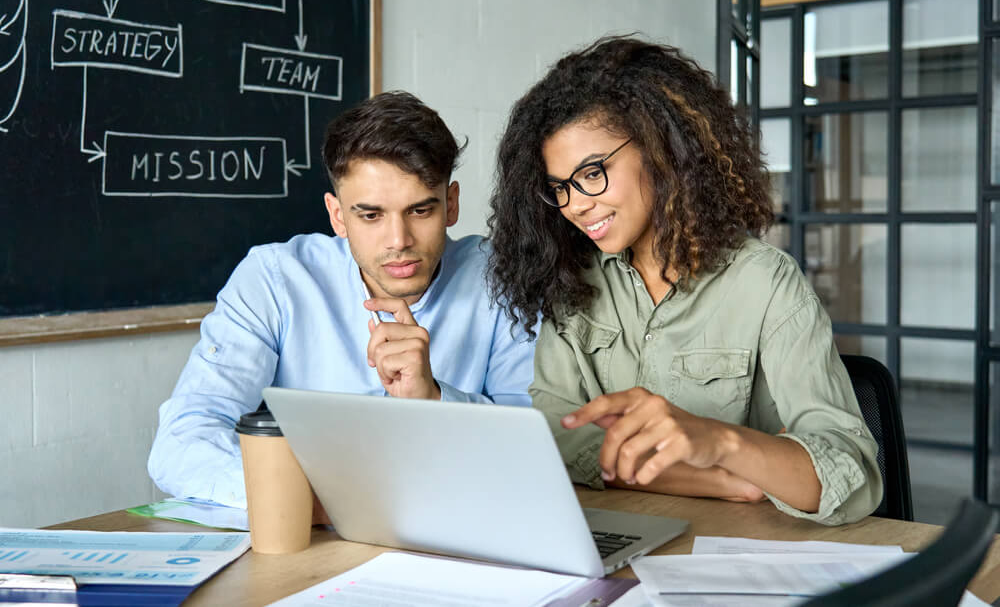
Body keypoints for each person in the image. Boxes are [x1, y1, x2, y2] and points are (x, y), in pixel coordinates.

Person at [486, 37, 882, 526]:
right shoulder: (572, 283)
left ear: (660, 149)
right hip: (616, 540)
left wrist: (718, 441)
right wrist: (721, 479)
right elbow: (553, 440)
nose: (576, 204)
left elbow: (852, 477)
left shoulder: (766, 284)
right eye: (560, 188)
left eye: (592, 173)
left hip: (744, 557)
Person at [149, 91, 535, 509]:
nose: (399, 241)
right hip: (313, 535)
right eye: (370, 216)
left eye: (421, 211)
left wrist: (434, 400)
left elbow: (532, 445)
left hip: (461, 527)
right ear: (337, 216)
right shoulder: (274, 279)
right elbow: (183, 437)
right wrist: (308, 496)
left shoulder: (501, 277)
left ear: (452, 203)